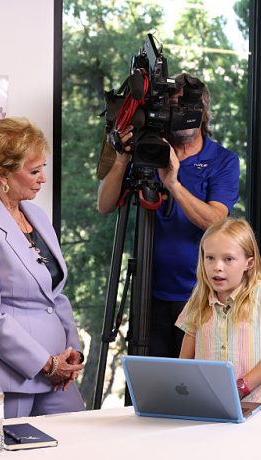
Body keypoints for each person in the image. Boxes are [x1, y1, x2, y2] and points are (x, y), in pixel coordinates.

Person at [97, 73, 240, 358]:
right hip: (148, 296)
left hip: (201, 296)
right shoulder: (149, 150)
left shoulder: (223, 160)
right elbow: (105, 204)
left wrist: (173, 183)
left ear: (203, 112)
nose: (179, 114)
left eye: (186, 106)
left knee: (195, 388)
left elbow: (216, 222)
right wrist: (123, 157)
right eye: (172, 106)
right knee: (151, 389)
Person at [0, 117, 85, 418]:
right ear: (3, 174)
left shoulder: (36, 214)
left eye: (43, 169)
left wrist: (71, 351)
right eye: (34, 171)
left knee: (78, 446)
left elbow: (56, 294)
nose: (42, 179)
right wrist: (46, 364)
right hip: (9, 377)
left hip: (57, 375)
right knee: (11, 459)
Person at [176, 218, 261, 404]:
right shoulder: (197, 300)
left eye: (228, 259)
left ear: (249, 263)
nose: (217, 267)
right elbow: (184, 362)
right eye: (210, 258)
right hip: (206, 405)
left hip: (254, 408)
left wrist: (239, 389)